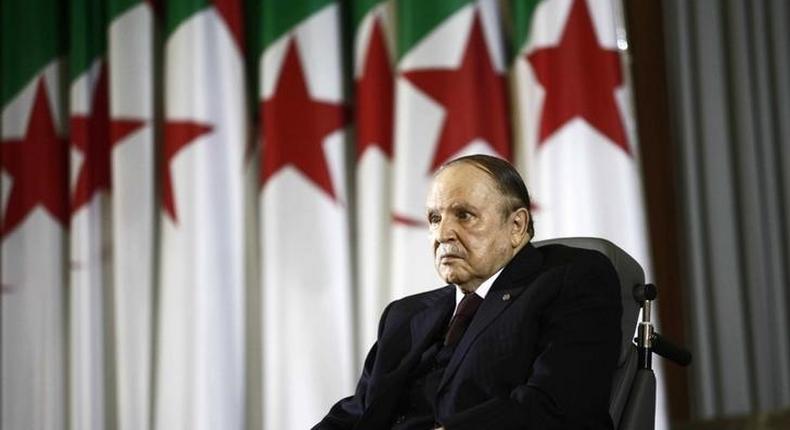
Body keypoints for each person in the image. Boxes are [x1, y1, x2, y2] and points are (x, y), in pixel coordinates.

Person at [314, 155, 622, 429]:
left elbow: (556, 406)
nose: (443, 233)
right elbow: (359, 412)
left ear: (516, 225)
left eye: (464, 215)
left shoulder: (570, 279)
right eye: (435, 218)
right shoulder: (405, 314)